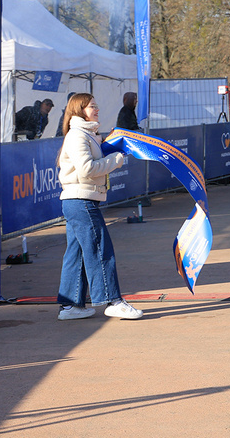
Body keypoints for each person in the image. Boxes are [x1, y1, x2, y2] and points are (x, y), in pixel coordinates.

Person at [56, 93, 143, 321]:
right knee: (99, 249)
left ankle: (70, 306)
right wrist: (116, 159)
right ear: (79, 110)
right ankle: (113, 301)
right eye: (92, 106)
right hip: (80, 201)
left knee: (76, 253)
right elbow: (87, 169)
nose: (97, 109)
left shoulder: (86, 135)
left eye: (96, 106)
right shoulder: (77, 135)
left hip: (79, 201)